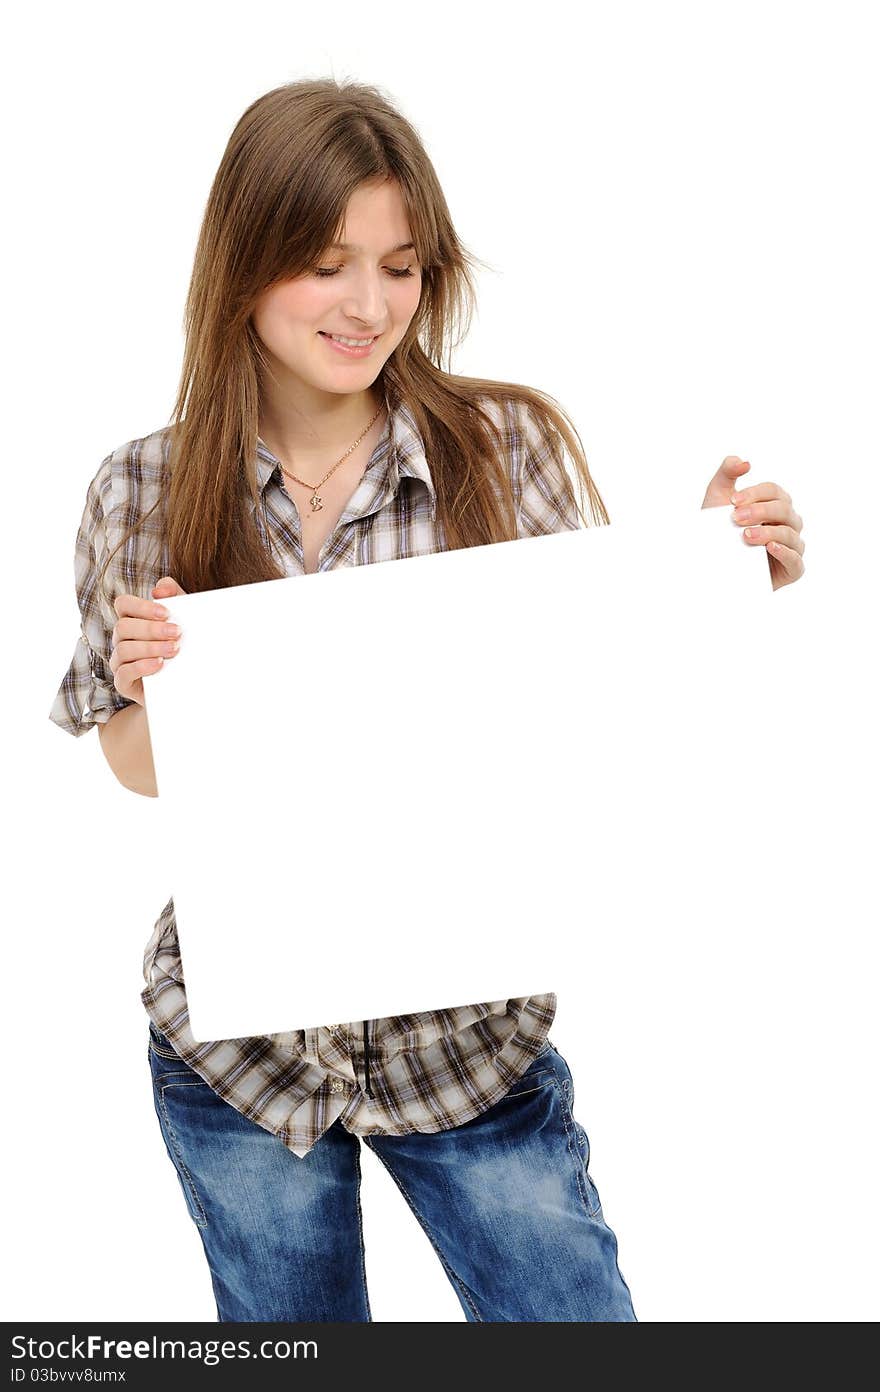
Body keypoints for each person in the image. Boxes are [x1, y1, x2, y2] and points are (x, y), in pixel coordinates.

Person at [48, 78, 805, 1324]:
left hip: (467, 1041)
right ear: (244, 265)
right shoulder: (141, 484)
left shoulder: (505, 445)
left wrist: (712, 579)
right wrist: (150, 688)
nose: (367, 306)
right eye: (325, 264)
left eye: (399, 267)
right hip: (242, 1058)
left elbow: (601, 702)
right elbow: (134, 767)